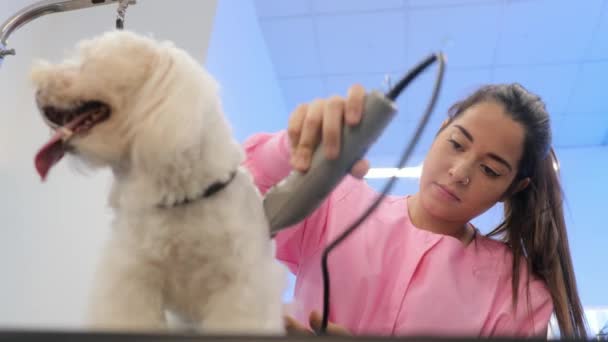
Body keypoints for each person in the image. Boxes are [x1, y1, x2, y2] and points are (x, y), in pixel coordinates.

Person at [242, 83, 587, 338]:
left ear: (512, 189)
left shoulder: (516, 294)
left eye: (490, 170)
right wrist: (290, 148)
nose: (459, 172)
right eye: (456, 144)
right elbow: (226, 204)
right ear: (439, 133)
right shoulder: (337, 204)